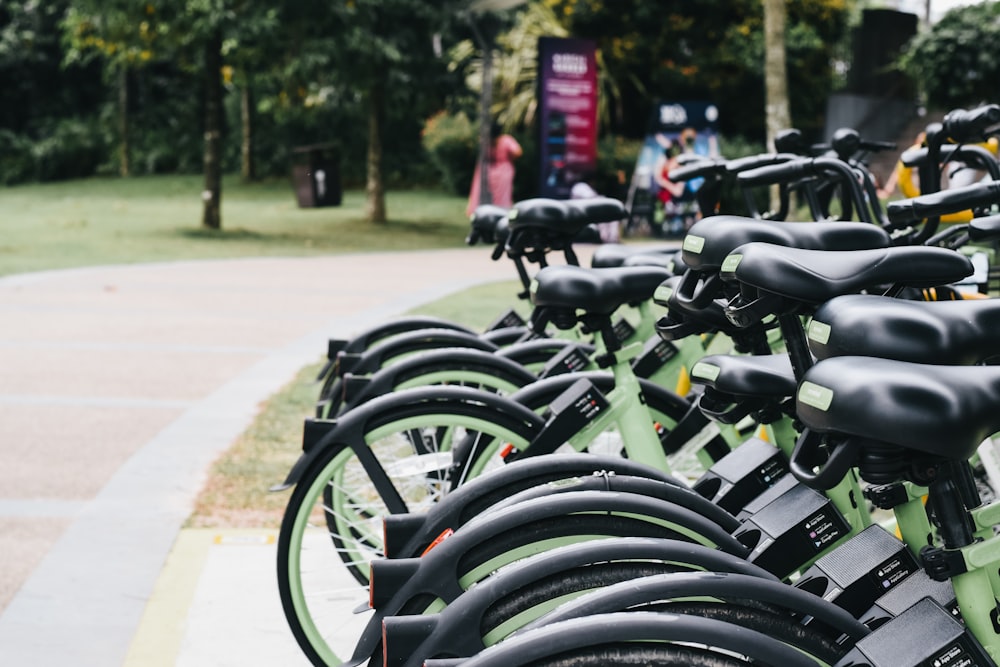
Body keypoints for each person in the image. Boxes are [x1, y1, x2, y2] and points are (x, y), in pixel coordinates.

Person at [466, 122, 523, 216]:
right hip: (501, 171)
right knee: (501, 196)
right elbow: (518, 152)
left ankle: (490, 213)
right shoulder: (505, 140)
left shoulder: (487, 142)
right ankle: (499, 213)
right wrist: (509, 159)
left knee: (494, 195)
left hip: (491, 171)